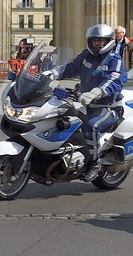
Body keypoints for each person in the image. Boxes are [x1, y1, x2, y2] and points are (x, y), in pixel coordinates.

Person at [52, 22, 127, 176]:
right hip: (87, 105)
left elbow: (114, 79)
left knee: (91, 126)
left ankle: (95, 162)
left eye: (101, 41)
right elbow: (71, 67)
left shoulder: (114, 59)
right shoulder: (86, 55)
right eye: (95, 41)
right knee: (63, 120)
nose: (98, 44)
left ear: (108, 41)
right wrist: (52, 73)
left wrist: (96, 92)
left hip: (108, 107)